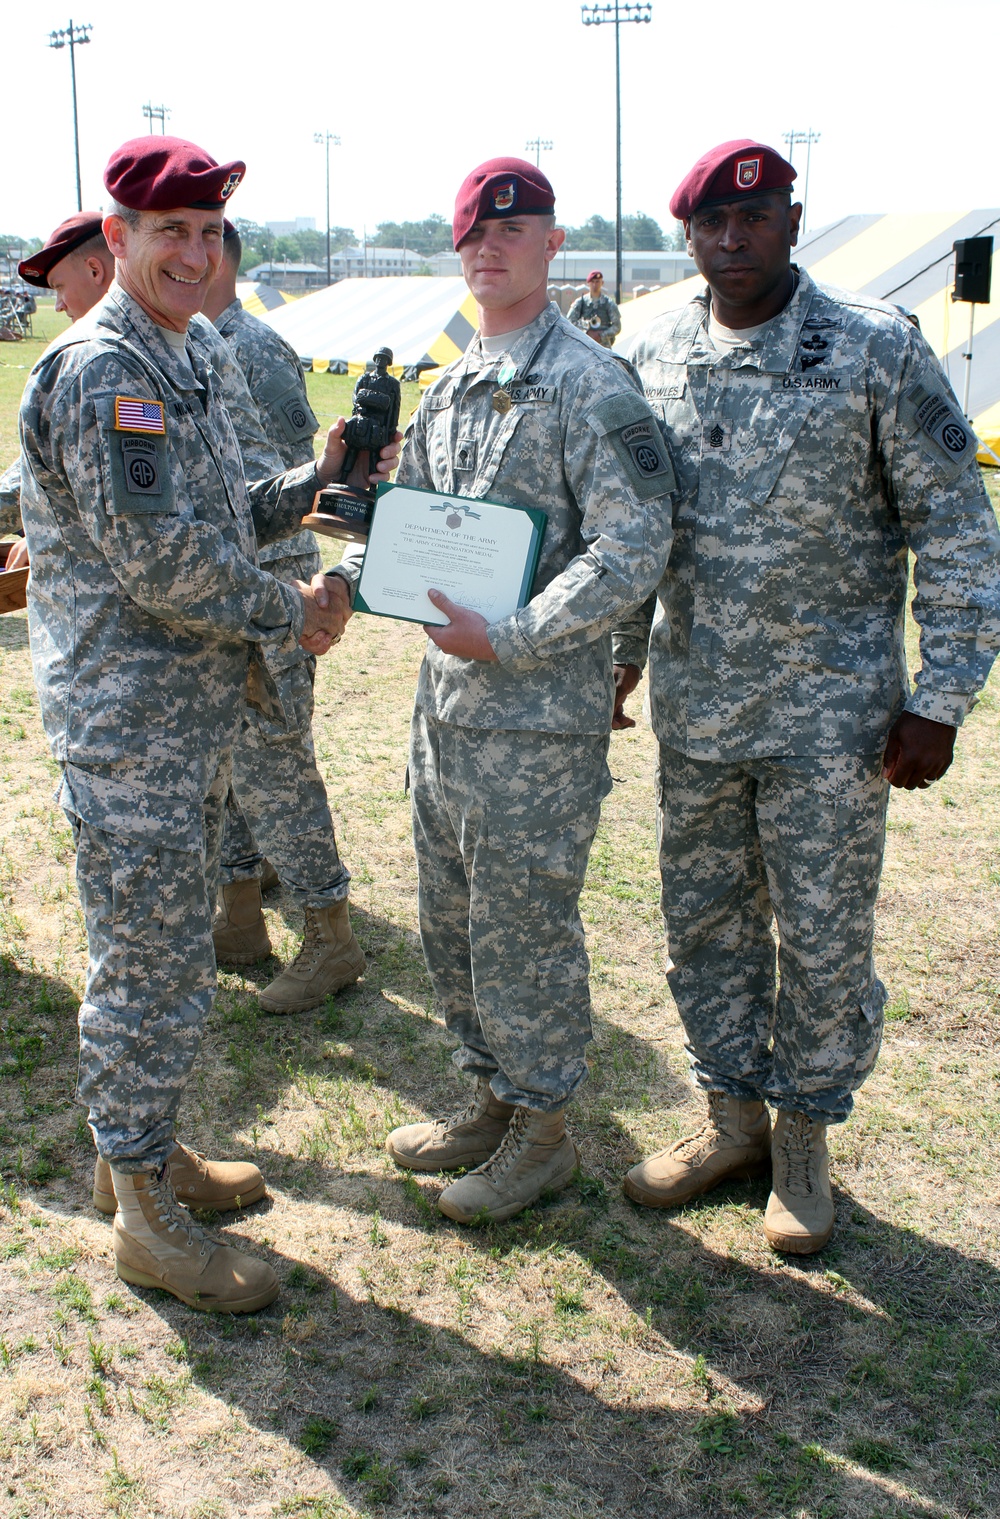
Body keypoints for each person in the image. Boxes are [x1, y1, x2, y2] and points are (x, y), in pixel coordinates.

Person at [17, 136, 398, 1311]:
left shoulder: (188, 355)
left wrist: (308, 479)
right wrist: (292, 611)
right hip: (134, 726)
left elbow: (216, 509)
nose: (194, 251)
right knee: (148, 968)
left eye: (209, 231)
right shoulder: (105, 372)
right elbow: (155, 557)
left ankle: (138, 1153)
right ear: (116, 240)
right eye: (167, 231)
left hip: (190, 716)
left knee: (165, 954)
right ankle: (143, 1216)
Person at [615, 139, 1000, 1254]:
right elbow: (636, 526)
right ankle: (728, 1119)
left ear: (792, 219)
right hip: (696, 714)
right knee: (704, 928)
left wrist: (942, 697)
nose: (731, 243)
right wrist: (619, 659)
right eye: (709, 227)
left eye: (755, 220)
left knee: (824, 941)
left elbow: (955, 529)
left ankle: (802, 1142)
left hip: (832, 723)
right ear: (687, 236)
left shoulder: (872, 349)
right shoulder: (651, 348)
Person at [340, 157, 674, 1224]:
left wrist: (517, 634)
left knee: (524, 926)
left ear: (550, 244)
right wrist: (342, 585)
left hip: (536, 715)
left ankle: (542, 1132)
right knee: (451, 917)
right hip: (446, 706)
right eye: (474, 234)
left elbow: (634, 545)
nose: (491, 246)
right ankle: (489, 1094)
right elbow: (413, 526)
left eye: (514, 228)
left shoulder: (589, 382)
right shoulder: (450, 382)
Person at [200, 221, 365, 1012]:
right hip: (225, 591)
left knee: (274, 769)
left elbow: (283, 484)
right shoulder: (184, 342)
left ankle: (328, 936)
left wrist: (287, 606)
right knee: (229, 770)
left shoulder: (248, 348)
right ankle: (239, 920)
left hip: (267, 584)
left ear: (217, 265)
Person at [1, 215, 117, 564]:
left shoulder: (97, 364)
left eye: (60, 287)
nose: (58, 305)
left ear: (95, 272)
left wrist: (48, 533)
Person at [567, 269, 621, 348]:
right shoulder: (580, 302)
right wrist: (586, 332)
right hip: (584, 344)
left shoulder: (608, 303)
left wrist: (601, 335)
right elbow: (570, 322)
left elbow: (617, 326)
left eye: (597, 282)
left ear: (602, 283)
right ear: (588, 283)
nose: (595, 285)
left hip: (604, 345)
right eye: (593, 282)